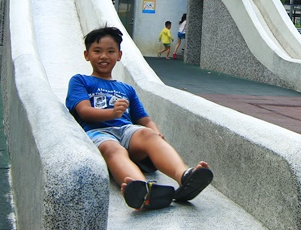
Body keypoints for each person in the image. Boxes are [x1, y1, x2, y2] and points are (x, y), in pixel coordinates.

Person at [66, 26, 213, 210]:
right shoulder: (80, 81)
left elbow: (144, 119)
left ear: (119, 56)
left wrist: (156, 133)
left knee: (148, 135)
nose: (104, 56)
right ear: (87, 55)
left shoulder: (126, 89)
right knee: (113, 149)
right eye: (97, 51)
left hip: (126, 131)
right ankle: (142, 190)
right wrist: (112, 113)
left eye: (110, 51)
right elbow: (84, 111)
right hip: (98, 133)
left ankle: (184, 176)